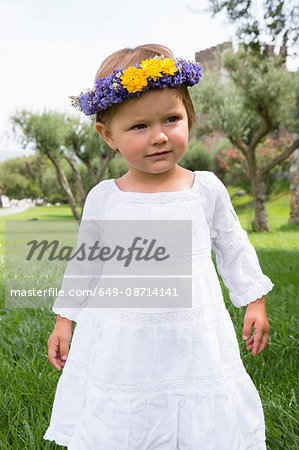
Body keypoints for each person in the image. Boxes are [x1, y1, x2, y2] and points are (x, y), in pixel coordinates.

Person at [43, 43, 274, 449]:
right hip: (121, 336)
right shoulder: (104, 198)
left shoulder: (204, 189)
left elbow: (233, 246)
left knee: (193, 400)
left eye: (172, 118)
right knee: (128, 402)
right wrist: (65, 320)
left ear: (190, 118)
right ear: (107, 135)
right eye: (139, 127)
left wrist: (254, 300)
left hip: (193, 335)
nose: (160, 136)